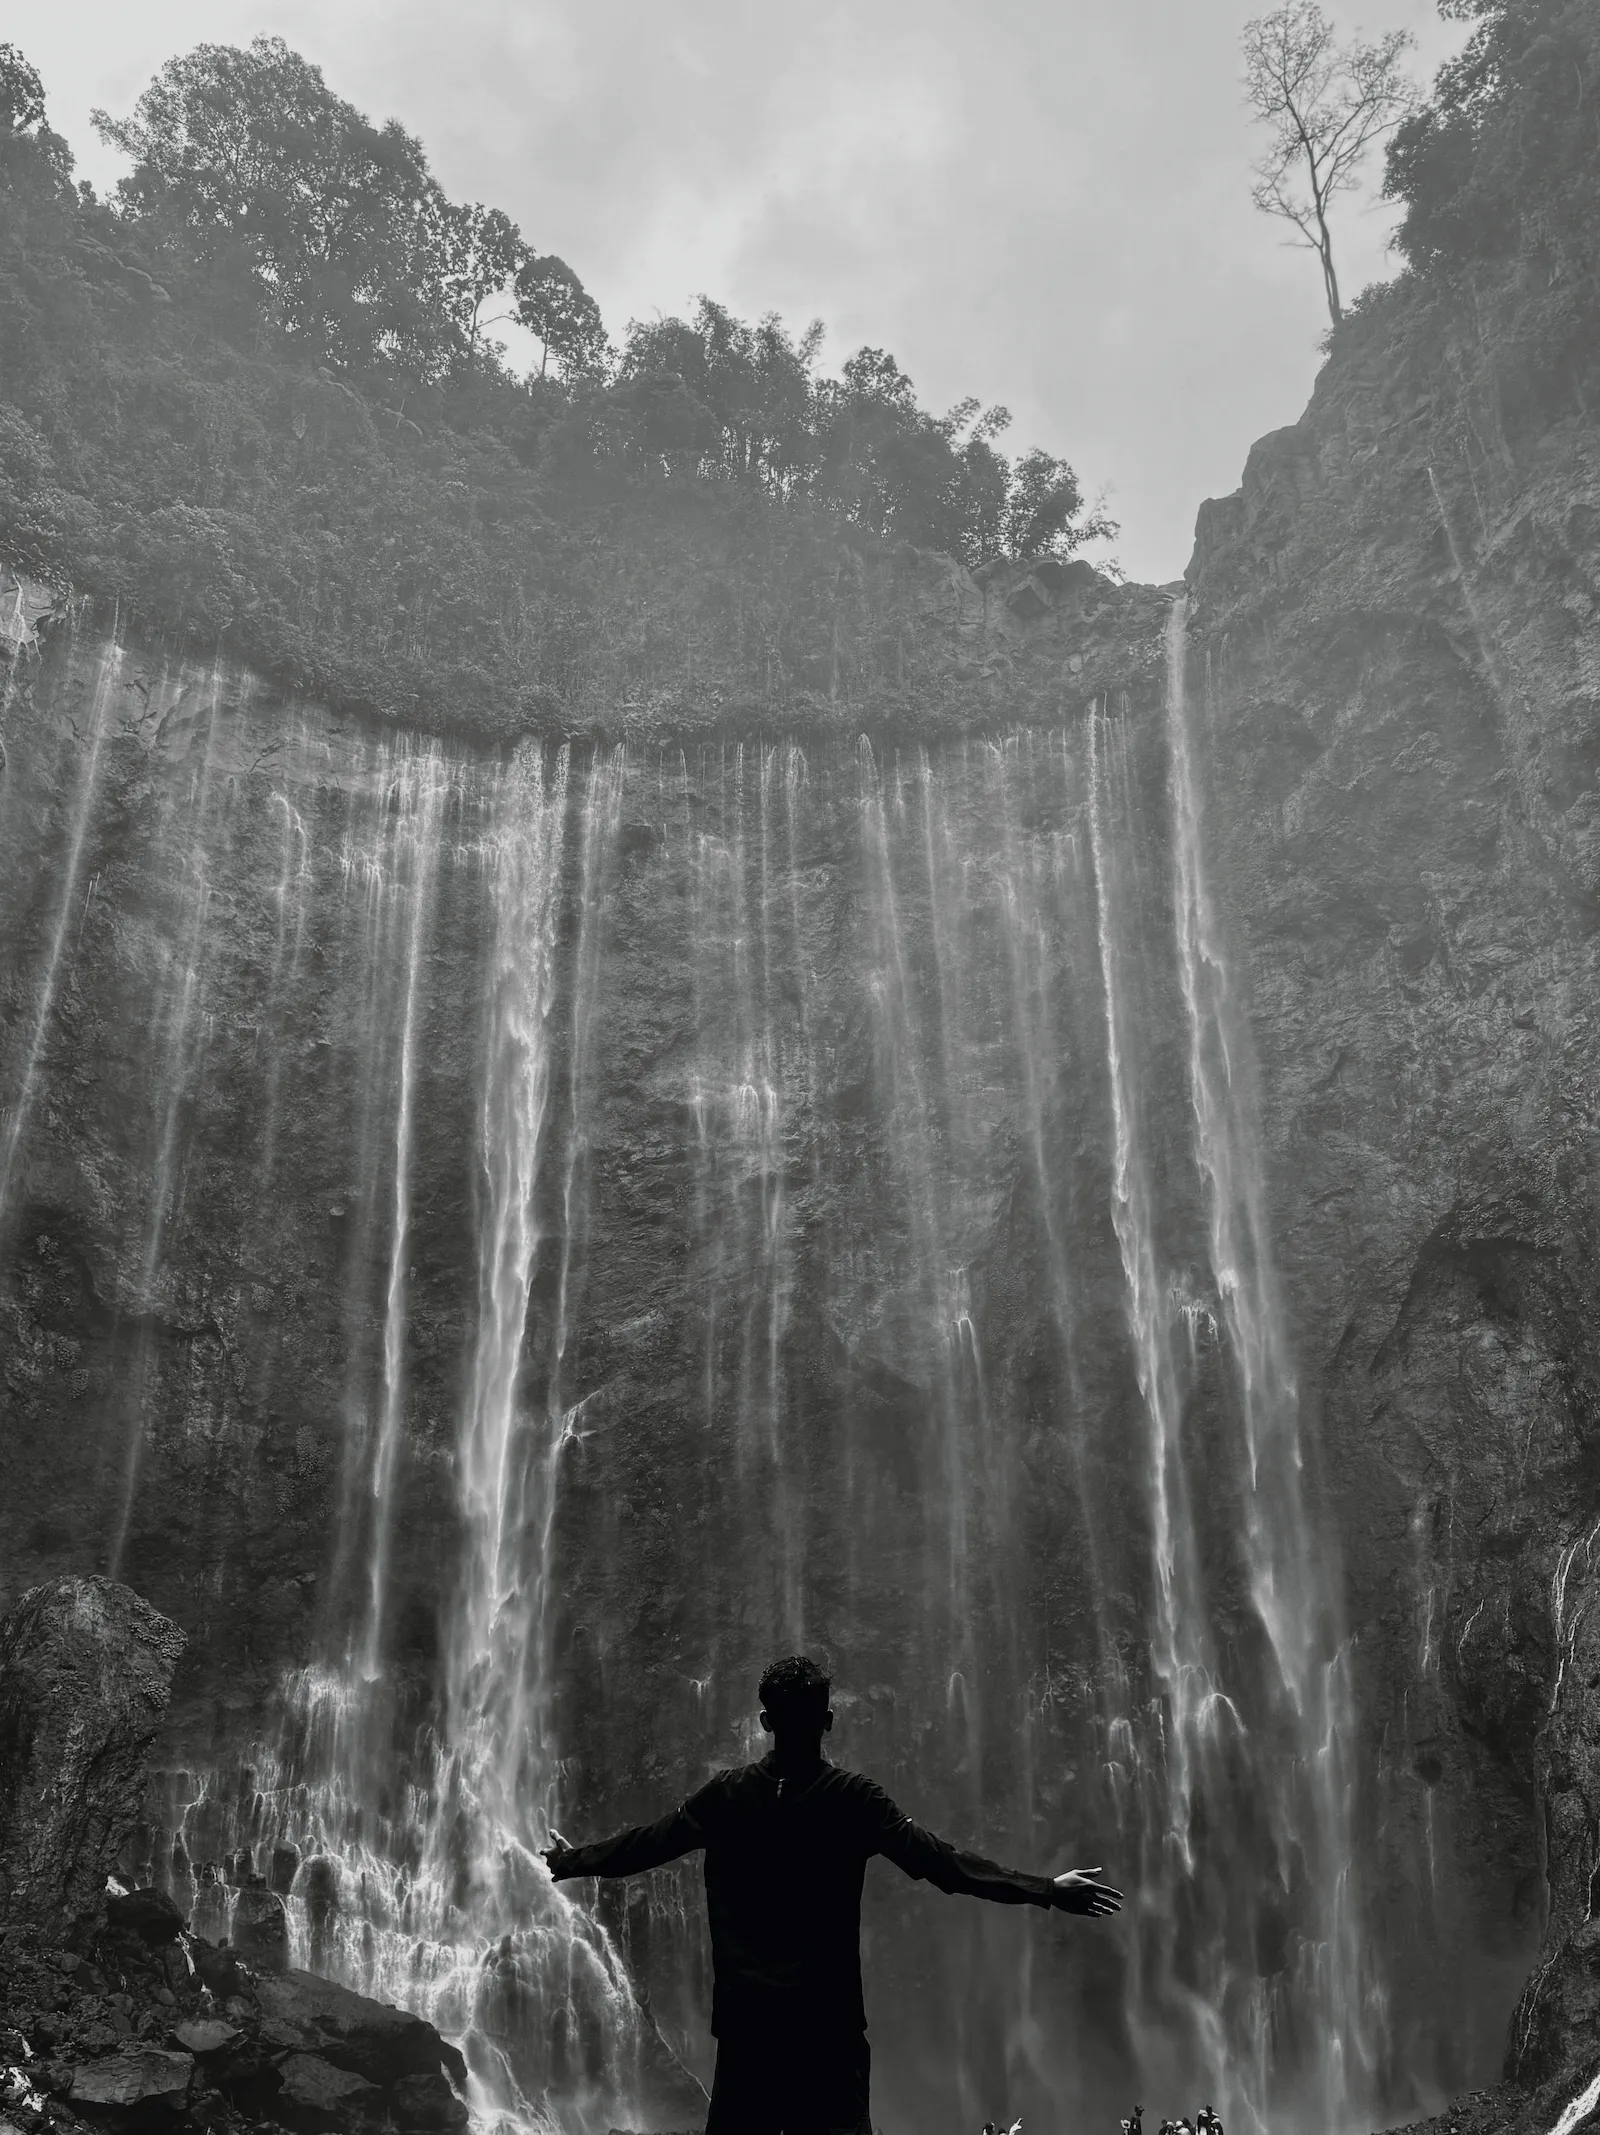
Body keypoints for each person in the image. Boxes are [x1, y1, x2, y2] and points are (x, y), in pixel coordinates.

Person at [542, 1653, 1122, 2135]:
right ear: (828, 1720)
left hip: (748, 2030)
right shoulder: (853, 1799)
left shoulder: (725, 1797)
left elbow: (647, 1845)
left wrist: (571, 1861)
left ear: (764, 1722)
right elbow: (944, 1866)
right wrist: (1048, 1889)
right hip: (827, 2030)